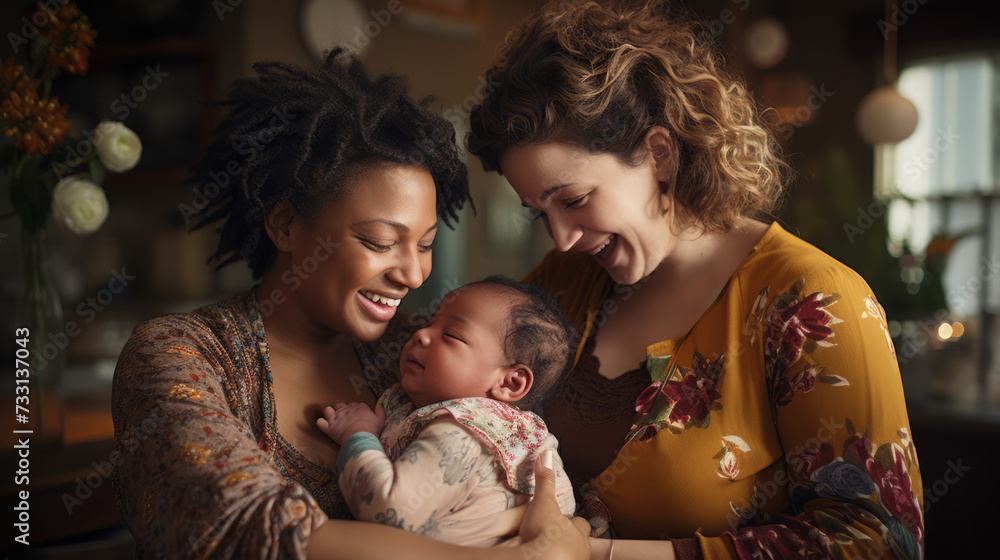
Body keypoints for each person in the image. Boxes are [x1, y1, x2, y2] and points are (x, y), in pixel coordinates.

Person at [467, 1, 924, 559]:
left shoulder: (813, 301)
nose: (560, 238)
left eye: (576, 200)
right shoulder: (566, 280)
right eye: (541, 213)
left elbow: (879, 543)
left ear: (658, 153)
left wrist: (599, 555)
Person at [111, 48, 589, 559]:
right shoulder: (181, 355)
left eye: (425, 244)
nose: (413, 273)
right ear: (287, 224)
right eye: (381, 242)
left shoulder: (415, 351)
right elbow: (245, 528)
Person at [315, 276, 577, 547]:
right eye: (430, 323)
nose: (420, 334)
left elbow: (387, 510)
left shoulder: (465, 433)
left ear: (508, 383)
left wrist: (358, 434)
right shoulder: (423, 405)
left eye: (451, 335)